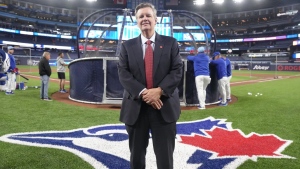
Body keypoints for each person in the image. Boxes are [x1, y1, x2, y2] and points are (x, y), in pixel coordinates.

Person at [117, 3, 183, 169]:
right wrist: (145, 93)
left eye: (148, 16)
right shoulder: (127, 46)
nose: (144, 19)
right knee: (136, 157)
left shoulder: (171, 43)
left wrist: (159, 91)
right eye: (141, 16)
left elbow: (177, 70)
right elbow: (123, 74)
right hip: (136, 109)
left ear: (156, 20)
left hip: (164, 107)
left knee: (165, 158)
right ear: (137, 21)